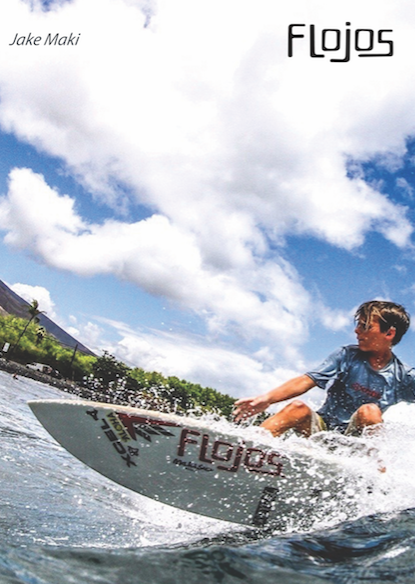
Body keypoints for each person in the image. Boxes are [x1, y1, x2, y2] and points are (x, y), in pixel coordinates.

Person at [234, 300, 415, 438]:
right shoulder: (347, 355)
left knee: (370, 411)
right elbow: (307, 380)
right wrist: (266, 399)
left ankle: (375, 480)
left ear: (389, 333)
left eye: (365, 326)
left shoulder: (404, 377)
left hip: (357, 446)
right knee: (297, 408)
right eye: (358, 325)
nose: (357, 331)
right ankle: (246, 448)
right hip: (322, 431)